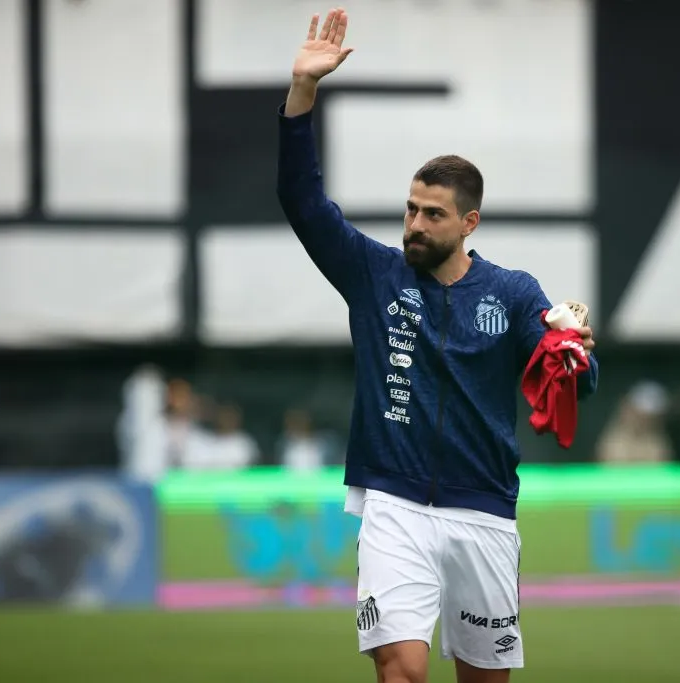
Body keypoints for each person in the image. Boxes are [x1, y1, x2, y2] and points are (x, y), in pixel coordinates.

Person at [276, 8, 599, 683]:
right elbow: (302, 201)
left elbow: (567, 375)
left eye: (432, 214)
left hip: (483, 509)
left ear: (468, 221)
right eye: (410, 209)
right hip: (393, 504)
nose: (414, 225)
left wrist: (576, 354)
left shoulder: (511, 292)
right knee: (402, 670)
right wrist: (303, 90)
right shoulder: (373, 273)